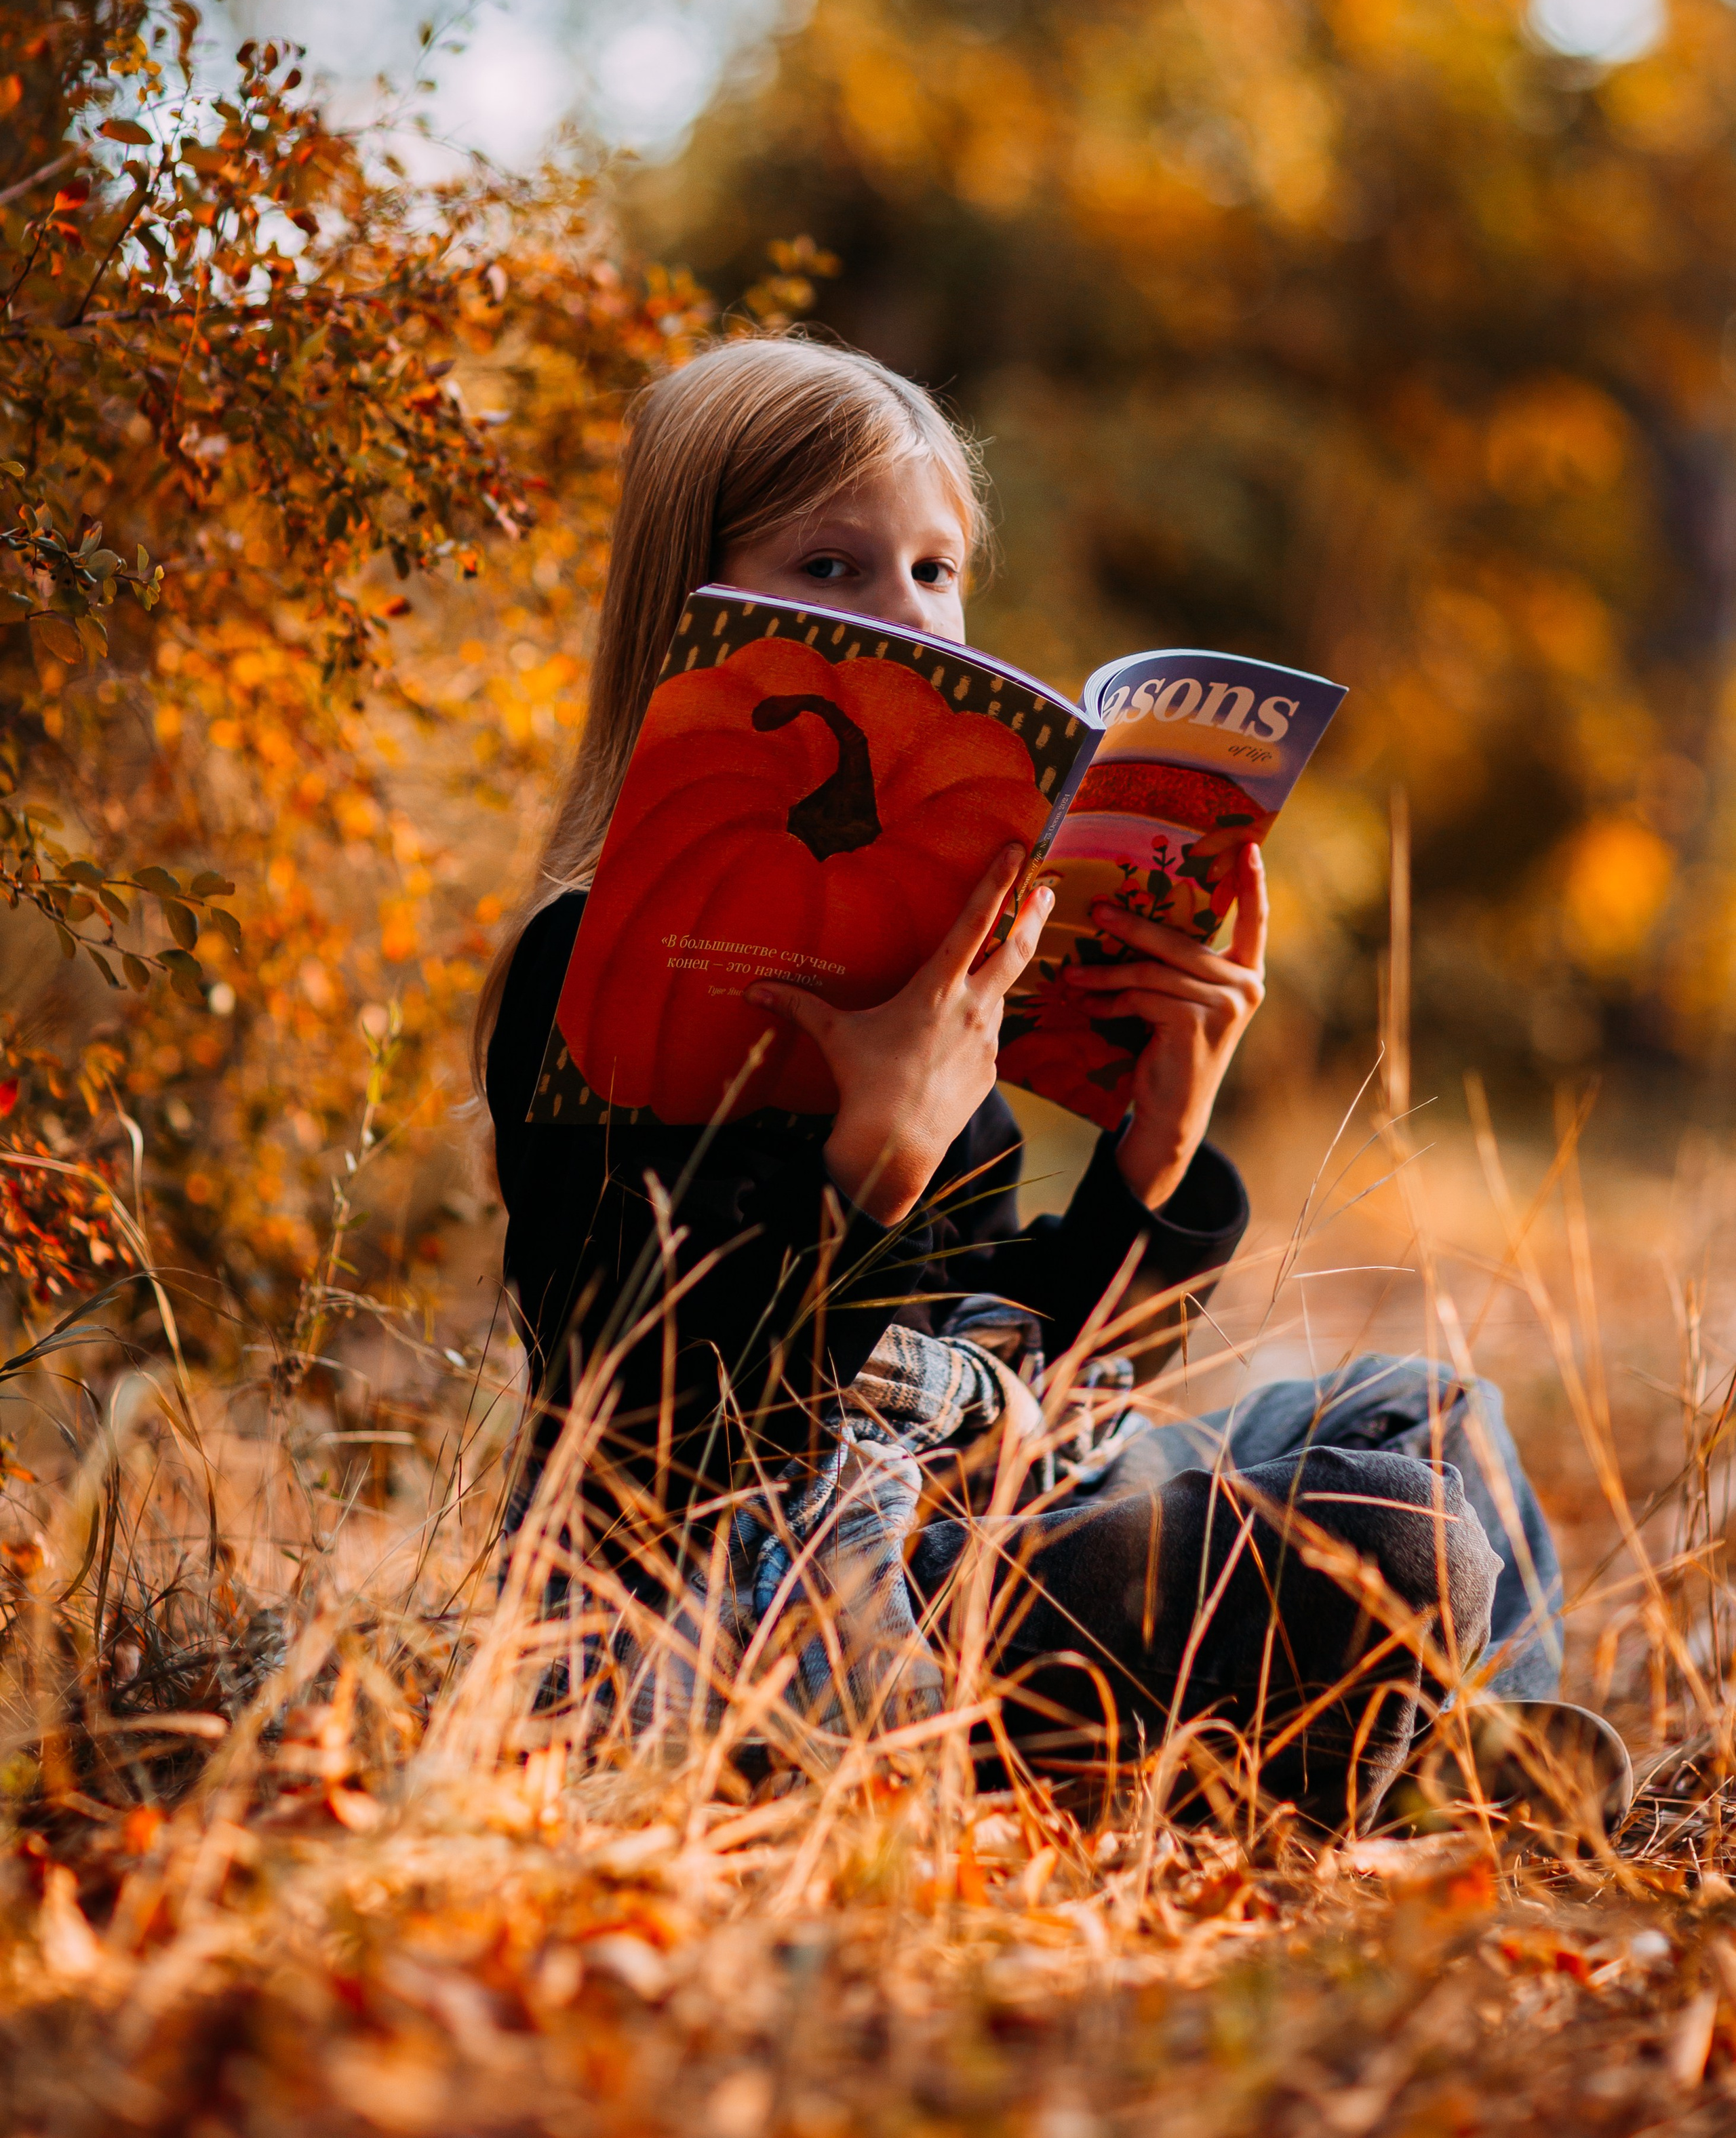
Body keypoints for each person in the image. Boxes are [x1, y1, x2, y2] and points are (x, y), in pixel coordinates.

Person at [479, 336, 1616, 1833]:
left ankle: (1451, 1775)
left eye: (935, 571)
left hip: (985, 1509)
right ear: (698, 611)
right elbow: (647, 1428)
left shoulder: (943, 955)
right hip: (793, 1624)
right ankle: (1392, 1777)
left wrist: (1154, 1158)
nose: (908, 616)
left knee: (1426, 1409)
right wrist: (866, 1155)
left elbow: (1037, 1383)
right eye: (831, 567)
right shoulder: (598, 961)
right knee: (1380, 1525)